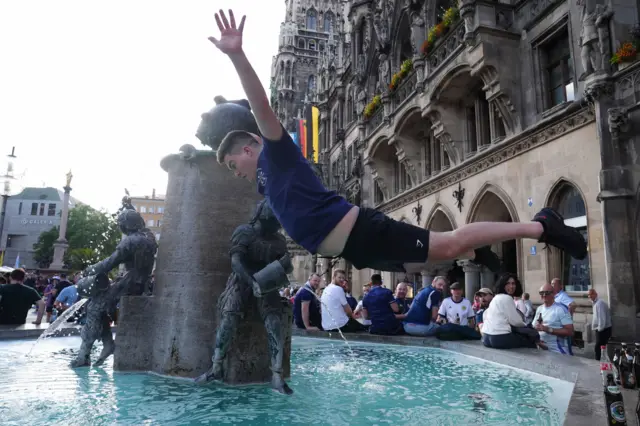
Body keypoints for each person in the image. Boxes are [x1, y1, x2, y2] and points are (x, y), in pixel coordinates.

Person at [209, 9, 588, 276]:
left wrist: (238, 56)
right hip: (356, 251)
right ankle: (480, 250)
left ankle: (541, 226)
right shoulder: (265, 182)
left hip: (362, 234)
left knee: (450, 244)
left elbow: (260, 106)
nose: (234, 173)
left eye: (232, 164)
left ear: (249, 148)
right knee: (425, 261)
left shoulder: (278, 156)